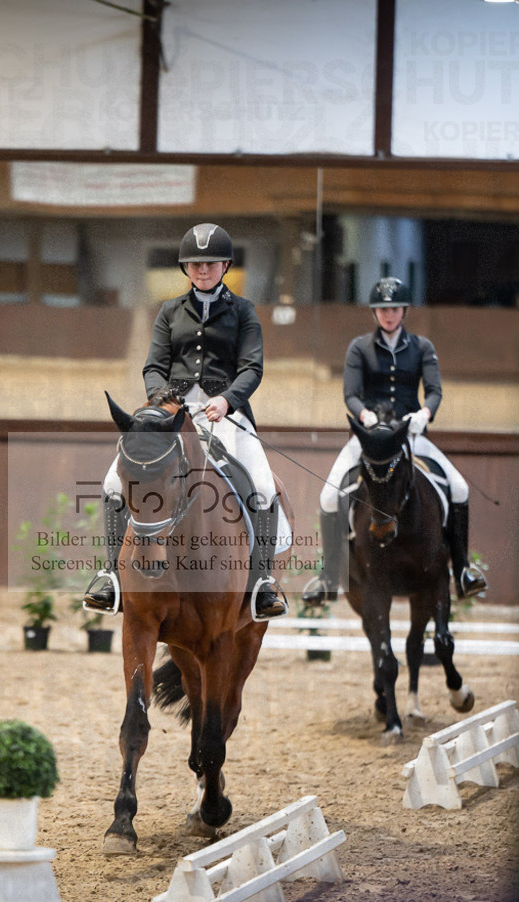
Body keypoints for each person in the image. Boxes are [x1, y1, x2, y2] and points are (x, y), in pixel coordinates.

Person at [83, 222, 289, 620]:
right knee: (113, 482)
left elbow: (251, 368)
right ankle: (110, 575)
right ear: (186, 268)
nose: (202, 270)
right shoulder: (169, 311)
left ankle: (263, 583)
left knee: (262, 486)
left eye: (210, 264)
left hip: (226, 415)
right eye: (195, 264)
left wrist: (227, 400)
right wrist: (167, 403)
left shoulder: (243, 311)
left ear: (225, 265)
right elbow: (153, 368)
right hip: (171, 418)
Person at [302, 276, 488, 606]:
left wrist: (425, 414)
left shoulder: (422, 347)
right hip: (370, 437)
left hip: (410, 435)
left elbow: (434, 391)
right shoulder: (359, 347)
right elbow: (350, 394)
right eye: (382, 310)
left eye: (394, 309)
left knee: (459, 488)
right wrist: (364, 416)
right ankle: (330, 575)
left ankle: (463, 571)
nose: (388, 315)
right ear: (375, 313)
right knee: (329, 495)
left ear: (403, 311)